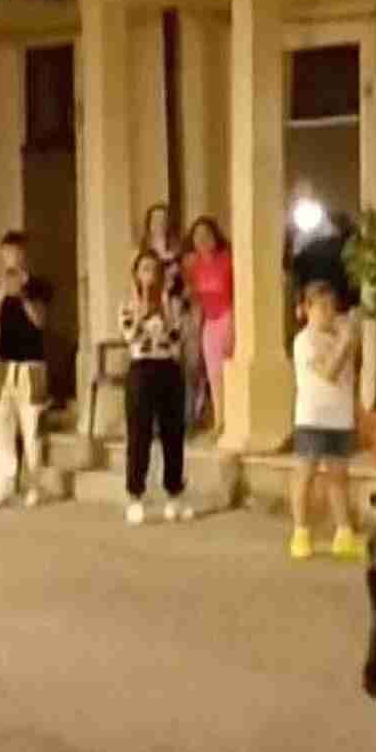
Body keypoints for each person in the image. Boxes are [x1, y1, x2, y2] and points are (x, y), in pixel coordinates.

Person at [289, 278, 366, 561]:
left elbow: (350, 378)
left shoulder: (338, 338)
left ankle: (343, 534)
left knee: (338, 478)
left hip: (339, 418)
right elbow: (329, 373)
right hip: (312, 418)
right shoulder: (304, 341)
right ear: (307, 309)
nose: (328, 312)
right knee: (305, 474)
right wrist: (346, 341)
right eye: (320, 306)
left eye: (331, 306)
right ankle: (301, 532)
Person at [119, 249, 193, 525]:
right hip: (142, 369)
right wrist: (142, 312)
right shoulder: (128, 304)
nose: (150, 275)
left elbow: (176, 339)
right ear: (137, 275)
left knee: (173, 434)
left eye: (154, 269)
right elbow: (131, 336)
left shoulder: (172, 304)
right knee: (139, 434)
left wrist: (164, 309)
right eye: (145, 269)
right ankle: (135, 495)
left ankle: (175, 494)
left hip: (168, 368)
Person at [0, 230, 52, 508]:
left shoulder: (39, 286)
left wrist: (23, 295)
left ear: (25, 255)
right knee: (0, 425)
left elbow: (40, 322)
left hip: (32, 364)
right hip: (3, 362)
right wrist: (1, 297)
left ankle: (34, 484)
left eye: (16, 253)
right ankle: (3, 484)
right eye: (7, 253)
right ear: (2, 256)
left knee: (31, 426)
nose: (11, 258)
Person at [141, 202, 205, 430]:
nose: (160, 223)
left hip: (180, 311)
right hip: (155, 313)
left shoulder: (180, 252)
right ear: (149, 224)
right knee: (161, 367)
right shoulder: (142, 254)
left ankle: (187, 416)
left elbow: (190, 283)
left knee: (188, 365)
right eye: (155, 219)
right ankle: (160, 420)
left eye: (164, 219)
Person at [185, 216, 234, 438]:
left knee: (230, 370)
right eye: (197, 236)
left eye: (207, 235)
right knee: (213, 373)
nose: (202, 240)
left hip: (228, 316)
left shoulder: (227, 260)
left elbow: (235, 294)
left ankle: (234, 417)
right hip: (210, 322)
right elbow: (196, 299)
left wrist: (233, 325)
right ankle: (220, 420)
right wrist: (196, 328)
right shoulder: (193, 266)